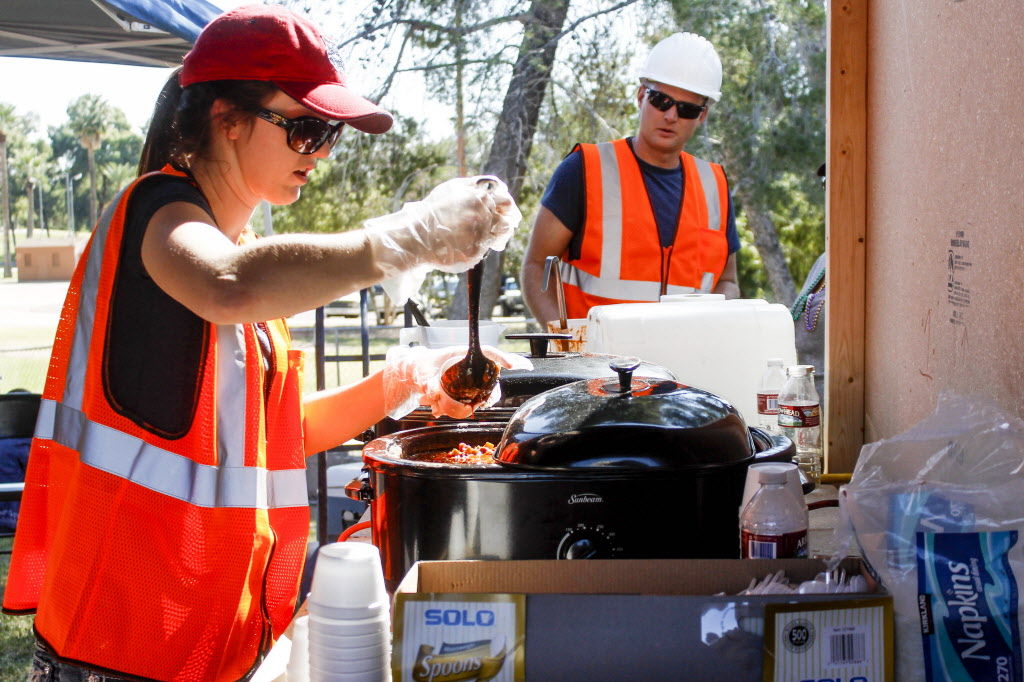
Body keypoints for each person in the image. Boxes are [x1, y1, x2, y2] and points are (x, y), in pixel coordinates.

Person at [1, 5, 522, 680]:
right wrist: (400, 241)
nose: (323, 151)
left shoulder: (244, 256)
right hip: (122, 650)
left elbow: (283, 432)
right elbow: (228, 286)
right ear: (228, 118)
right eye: (305, 129)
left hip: (208, 644)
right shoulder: (155, 216)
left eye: (328, 132)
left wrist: (406, 382)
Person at [522, 32, 741, 328]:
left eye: (687, 109)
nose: (671, 115)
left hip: (686, 366)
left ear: (702, 116)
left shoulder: (713, 185)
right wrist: (565, 345)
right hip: (597, 366)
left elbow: (727, 281)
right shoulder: (584, 170)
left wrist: (709, 324)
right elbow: (536, 266)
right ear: (641, 96)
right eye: (661, 100)